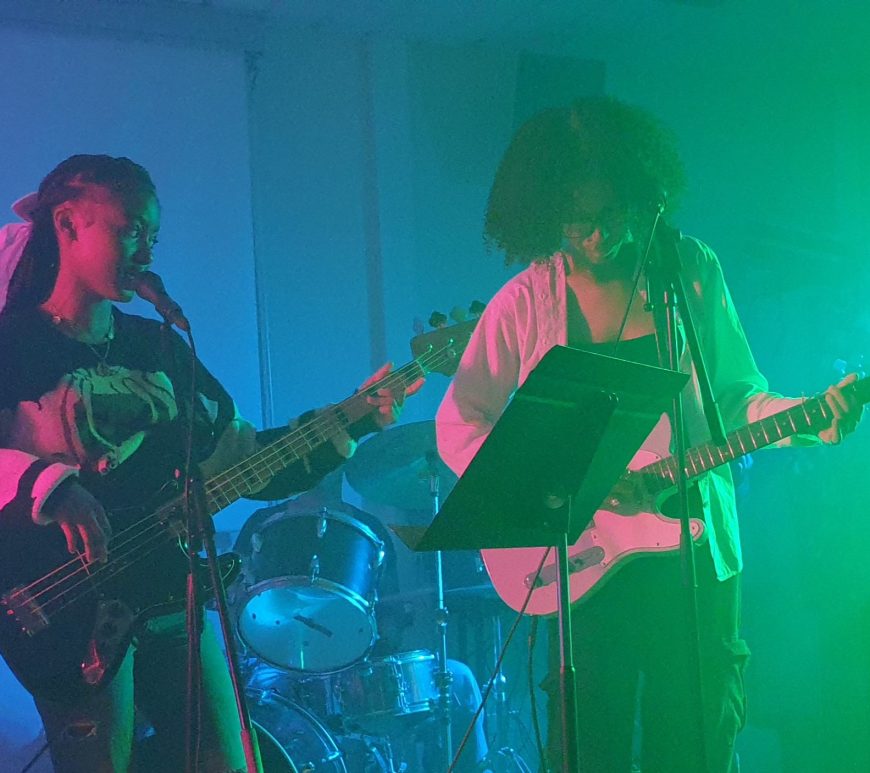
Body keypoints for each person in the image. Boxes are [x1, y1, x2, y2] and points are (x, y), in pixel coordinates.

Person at [434, 97, 865, 773]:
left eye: (611, 213)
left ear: (641, 194)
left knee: (697, 742)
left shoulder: (689, 269)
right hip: (582, 566)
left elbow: (735, 401)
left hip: (695, 559)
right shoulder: (524, 301)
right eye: (576, 219)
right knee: (590, 747)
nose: (596, 235)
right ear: (546, 212)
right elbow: (460, 422)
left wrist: (809, 418)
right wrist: (557, 486)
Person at [0, 154, 418, 773]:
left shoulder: (158, 346)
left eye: (153, 235)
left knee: (229, 762)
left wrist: (352, 418)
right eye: (130, 229)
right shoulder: (13, 344)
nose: (147, 250)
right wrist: (50, 486)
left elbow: (241, 457)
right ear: (66, 224)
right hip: (61, 602)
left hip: (172, 590)